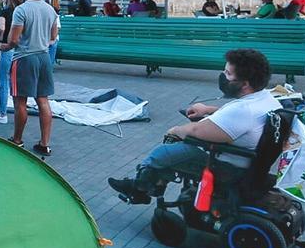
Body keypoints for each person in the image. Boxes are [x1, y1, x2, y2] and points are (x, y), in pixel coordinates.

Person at [109, 49, 281, 203]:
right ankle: (154, 184)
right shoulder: (265, 98)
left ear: (244, 84)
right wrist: (208, 110)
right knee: (177, 151)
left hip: (229, 167)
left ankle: (139, 188)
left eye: (228, 74)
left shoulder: (243, 110)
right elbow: (239, 119)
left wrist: (175, 130)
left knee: (167, 151)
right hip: (251, 162)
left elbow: (195, 131)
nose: (223, 76)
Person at [0, 0, 58, 156]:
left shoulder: (21, 10)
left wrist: (4, 46)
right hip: (44, 57)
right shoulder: (50, 10)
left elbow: (14, 40)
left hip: (25, 58)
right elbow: (53, 36)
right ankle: (45, 143)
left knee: (20, 101)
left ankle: (17, 140)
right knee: (43, 100)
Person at [0, 0, 23, 125]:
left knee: (4, 82)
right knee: (17, 82)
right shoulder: (22, 11)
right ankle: (19, 110)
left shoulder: (5, 11)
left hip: (7, 49)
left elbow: (2, 28)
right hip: (21, 50)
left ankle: (2, 114)